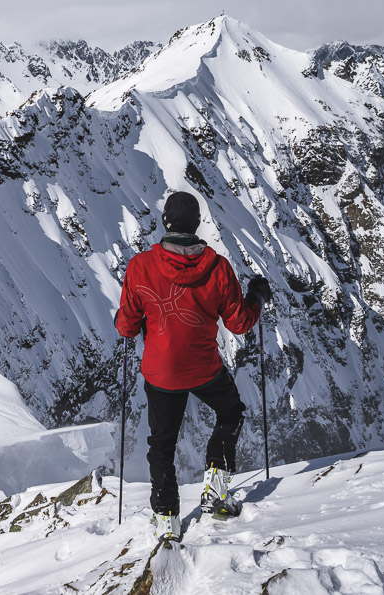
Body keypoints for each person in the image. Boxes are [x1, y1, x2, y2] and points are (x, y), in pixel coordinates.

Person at [115, 191, 271, 542]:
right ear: (197, 224)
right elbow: (240, 323)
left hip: (161, 372)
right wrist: (258, 296)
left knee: (162, 443)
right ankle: (216, 489)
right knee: (230, 412)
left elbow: (126, 326)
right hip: (204, 367)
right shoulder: (217, 267)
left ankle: (167, 518)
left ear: (165, 223)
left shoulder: (140, 267)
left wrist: (129, 319)